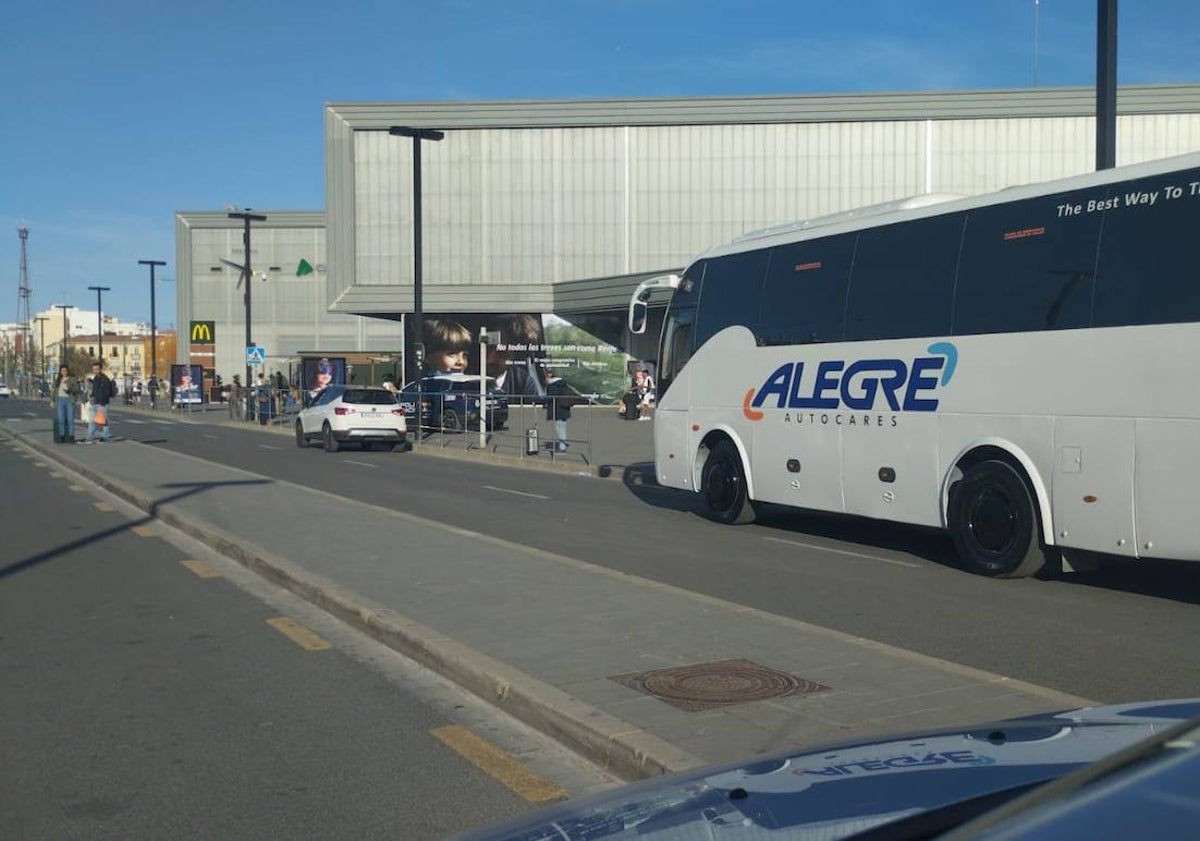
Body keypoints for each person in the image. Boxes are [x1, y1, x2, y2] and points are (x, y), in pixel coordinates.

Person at [542, 367, 577, 453]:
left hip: (558, 409)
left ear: (550, 375)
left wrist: (540, 401)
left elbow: (549, 398)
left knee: (559, 427)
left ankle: (561, 447)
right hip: (564, 408)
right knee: (562, 426)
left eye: (547, 375)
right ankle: (562, 444)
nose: (546, 377)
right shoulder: (561, 383)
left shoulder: (553, 385)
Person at [84, 360, 114, 443]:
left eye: (97, 369)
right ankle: (90, 437)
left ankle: (105, 436)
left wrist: (102, 401)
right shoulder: (96, 379)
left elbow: (107, 392)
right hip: (95, 402)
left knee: (103, 420)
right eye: (94, 369)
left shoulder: (105, 379)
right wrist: (92, 396)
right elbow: (94, 390)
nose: (95, 371)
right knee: (92, 420)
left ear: (100, 369)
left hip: (102, 403)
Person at [50, 364, 81, 443]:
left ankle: (71, 436)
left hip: (69, 399)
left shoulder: (72, 379)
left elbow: (77, 389)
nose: (64, 372)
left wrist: (69, 390)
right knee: (61, 419)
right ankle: (61, 436)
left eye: (65, 371)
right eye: (62, 371)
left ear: (67, 371)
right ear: (60, 372)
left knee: (70, 419)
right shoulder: (58, 380)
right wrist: (52, 400)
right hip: (60, 400)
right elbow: (54, 391)